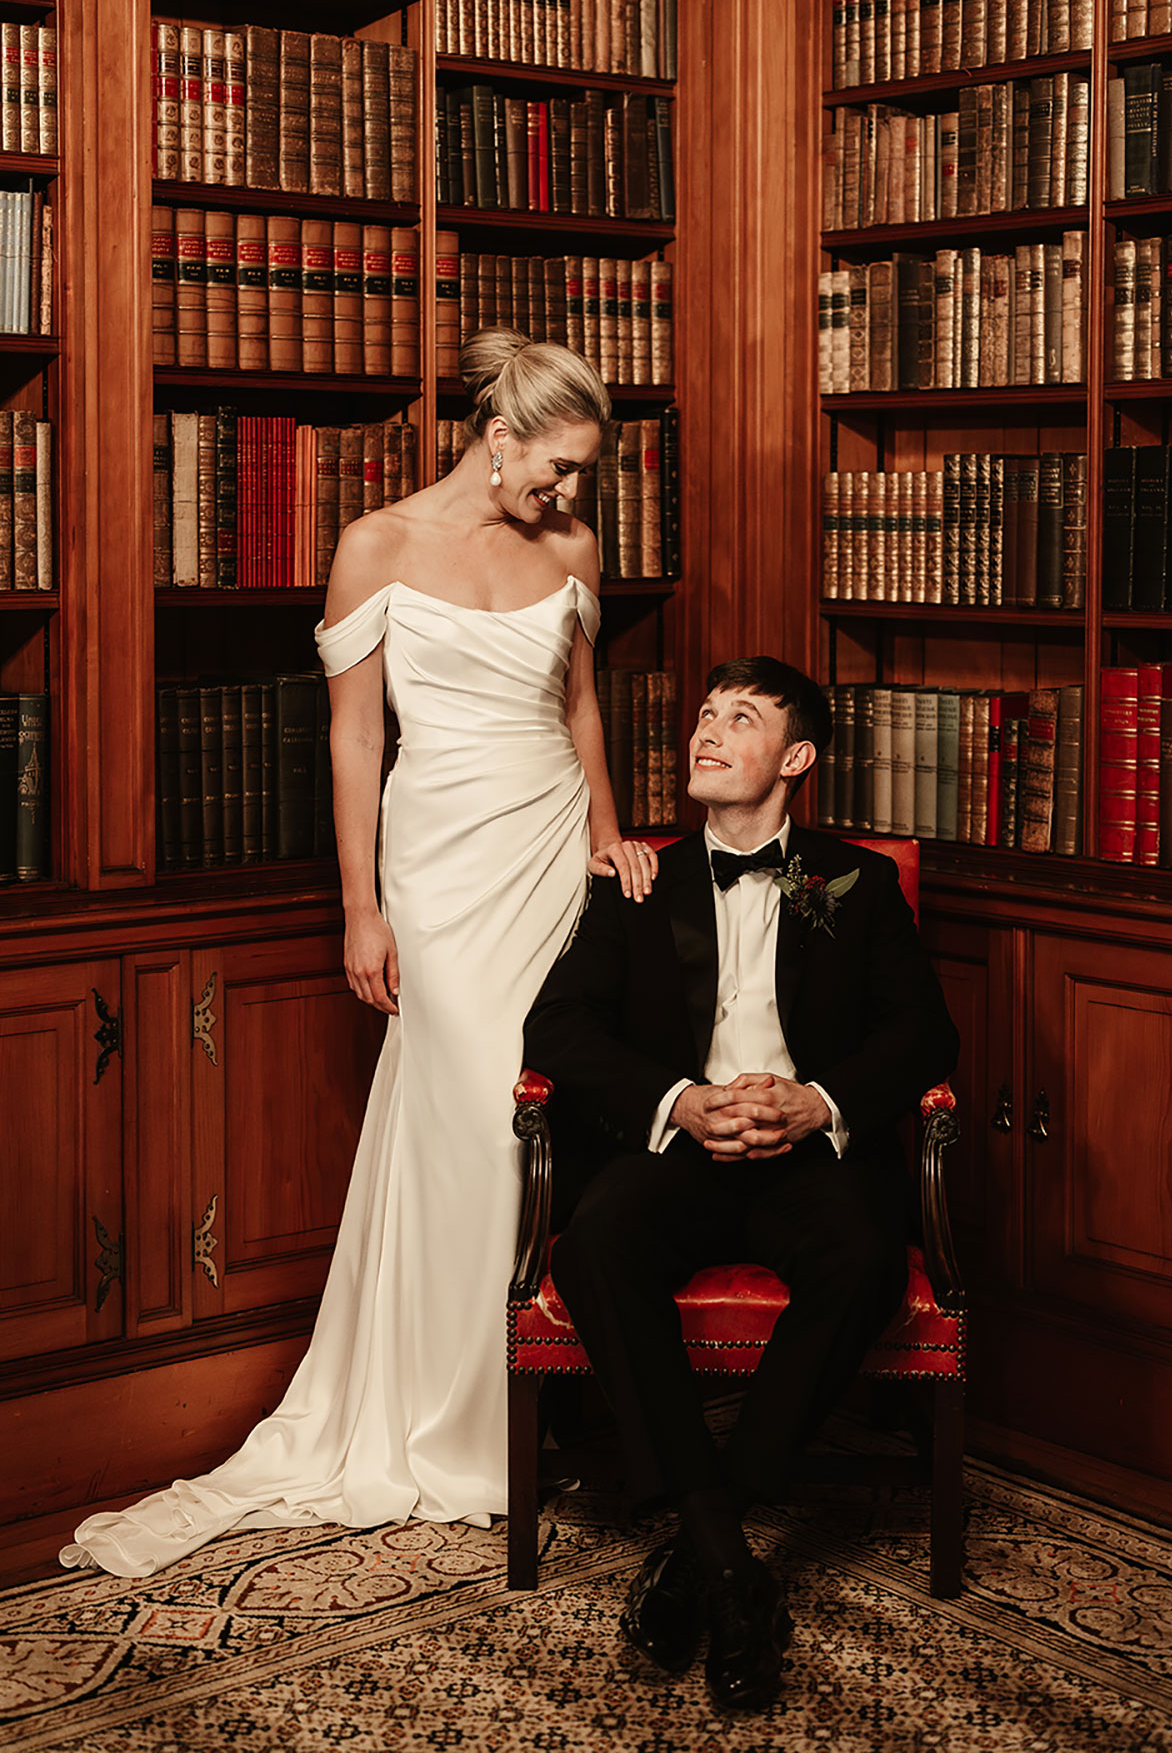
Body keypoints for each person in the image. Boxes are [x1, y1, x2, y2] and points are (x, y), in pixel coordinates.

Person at [60, 329, 658, 1578]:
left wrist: (609, 834)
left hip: (551, 848)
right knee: (476, 1119)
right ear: (497, 437)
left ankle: (535, 1411)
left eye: (583, 476)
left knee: (558, 1111)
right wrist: (363, 907)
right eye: (556, 468)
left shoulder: (575, 551)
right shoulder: (375, 547)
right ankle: (455, 1421)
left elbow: (581, 705)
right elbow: (353, 744)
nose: (570, 495)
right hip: (437, 870)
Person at [523, 655, 959, 1711]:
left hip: (809, 1161)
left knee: (861, 1253)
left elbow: (926, 1034)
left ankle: (697, 1540)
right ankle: (731, 1563)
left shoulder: (855, 882)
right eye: (703, 715)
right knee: (595, 1242)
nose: (705, 735)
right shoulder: (637, 877)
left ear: (796, 758)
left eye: (742, 720)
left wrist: (820, 1103)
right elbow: (556, 1028)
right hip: (676, 1157)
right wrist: (677, 1100)